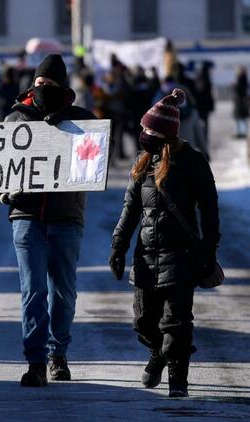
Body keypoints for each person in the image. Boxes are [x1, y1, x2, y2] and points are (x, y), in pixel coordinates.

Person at [109, 88, 220, 398]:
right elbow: (130, 209)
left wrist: (209, 250)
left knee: (177, 324)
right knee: (144, 322)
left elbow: (210, 210)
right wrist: (118, 247)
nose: (143, 133)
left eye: (148, 129)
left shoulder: (193, 163)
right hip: (146, 257)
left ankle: (177, 380)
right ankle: (157, 353)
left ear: (163, 134)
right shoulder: (143, 164)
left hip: (181, 257)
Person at [0, 54, 96, 387]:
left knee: (63, 294)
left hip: (67, 218)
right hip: (26, 218)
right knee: (33, 291)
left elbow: (93, 167)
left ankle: (58, 354)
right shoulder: (15, 121)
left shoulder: (82, 122)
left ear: (63, 87)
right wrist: (4, 192)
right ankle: (36, 362)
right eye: (40, 84)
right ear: (32, 85)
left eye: (51, 85)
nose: (44, 89)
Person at [233, 66, 249, 138]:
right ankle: (241, 132)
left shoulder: (241, 78)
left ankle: (241, 133)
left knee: (240, 118)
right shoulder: (244, 78)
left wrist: (234, 87)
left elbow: (240, 90)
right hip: (241, 102)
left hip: (240, 102)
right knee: (241, 118)